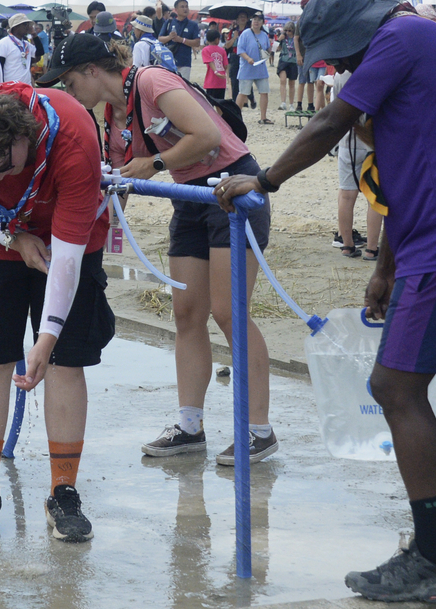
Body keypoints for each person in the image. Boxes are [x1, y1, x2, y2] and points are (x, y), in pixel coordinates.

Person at [215, 0, 436, 603]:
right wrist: (385, 266)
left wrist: (265, 179)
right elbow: (402, 178)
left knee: (393, 386)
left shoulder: (401, 35)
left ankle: (435, 558)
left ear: (361, 31)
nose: (339, 69)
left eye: (339, 55)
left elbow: (330, 122)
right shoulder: (423, 51)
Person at [47, 33, 278, 466]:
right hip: (189, 200)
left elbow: (207, 135)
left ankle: (259, 431)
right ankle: (190, 426)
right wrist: (105, 222)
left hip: (234, 190)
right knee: (187, 314)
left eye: (68, 81)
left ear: (91, 71)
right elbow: (120, 180)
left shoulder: (151, 81)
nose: (67, 91)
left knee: (230, 313)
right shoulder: (112, 118)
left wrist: (153, 164)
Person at [0, 75, 114, 544]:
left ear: (22, 137)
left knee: (66, 362)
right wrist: (12, 236)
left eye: (0, 167)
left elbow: (70, 256)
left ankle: (63, 491)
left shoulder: (73, 135)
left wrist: (48, 337)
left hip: (70, 240)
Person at [333, 86, 383, 260]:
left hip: (347, 141)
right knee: (374, 198)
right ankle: (371, 249)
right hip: (371, 142)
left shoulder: (339, 76)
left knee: (346, 195)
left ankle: (347, 245)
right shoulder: (372, 72)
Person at [236, 12, 272, 123]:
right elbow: (240, 50)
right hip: (247, 68)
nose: (256, 21)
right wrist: (248, 59)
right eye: (254, 19)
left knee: (264, 92)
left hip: (260, 68)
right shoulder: (245, 34)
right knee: (243, 93)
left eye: (259, 20)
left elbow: (268, 49)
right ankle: (236, 116)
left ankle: (263, 117)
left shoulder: (264, 35)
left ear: (262, 23)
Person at [158, 0, 201, 80]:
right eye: (182, 7)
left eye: (186, 6)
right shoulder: (169, 23)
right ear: (176, 9)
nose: (185, 9)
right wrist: (169, 37)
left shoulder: (193, 25)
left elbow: (197, 42)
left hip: (184, 62)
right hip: (168, 62)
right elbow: (160, 39)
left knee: (183, 87)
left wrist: (181, 40)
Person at [0, 13, 38, 85]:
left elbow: (40, 53)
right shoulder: (4, 43)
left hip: (26, 86)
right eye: (25, 24)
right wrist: (1, 85)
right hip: (10, 86)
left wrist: (34, 35)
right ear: (16, 27)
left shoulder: (26, 44)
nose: (27, 27)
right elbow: (0, 66)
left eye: (28, 24)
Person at [275, 23, 301, 112]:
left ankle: (291, 104)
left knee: (292, 83)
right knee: (282, 80)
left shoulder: (296, 38)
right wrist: (279, 40)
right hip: (283, 60)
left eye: (289, 30)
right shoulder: (283, 38)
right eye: (286, 30)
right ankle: (283, 103)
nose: (288, 32)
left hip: (293, 61)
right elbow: (275, 49)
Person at [201, 26, 229, 97]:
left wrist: (216, 72)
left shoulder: (205, 50)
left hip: (211, 82)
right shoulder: (222, 50)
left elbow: (210, 62)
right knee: (220, 104)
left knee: (210, 104)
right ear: (217, 39)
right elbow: (225, 65)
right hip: (221, 81)